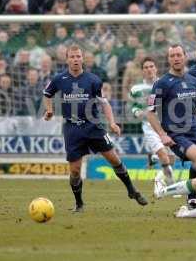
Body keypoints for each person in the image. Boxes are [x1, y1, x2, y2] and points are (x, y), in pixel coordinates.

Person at [43, 45, 148, 212]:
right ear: (67, 59)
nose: (76, 59)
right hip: (72, 129)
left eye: (78, 56)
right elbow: (47, 94)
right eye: (72, 57)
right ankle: (79, 204)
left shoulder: (93, 80)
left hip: (93, 126)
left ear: (82, 58)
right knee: (75, 171)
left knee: (114, 159)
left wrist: (112, 123)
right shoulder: (59, 79)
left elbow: (103, 103)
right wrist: (49, 110)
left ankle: (131, 189)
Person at [146, 44, 196, 210]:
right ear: (169, 59)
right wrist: (162, 134)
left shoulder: (194, 81)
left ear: (185, 57)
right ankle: (191, 198)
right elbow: (150, 113)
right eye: (172, 56)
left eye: (179, 55)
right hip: (177, 134)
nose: (176, 58)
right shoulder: (161, 84)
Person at [129, 56, 175, 184]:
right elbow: (133, 106)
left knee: (171, 158)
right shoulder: (136, 89)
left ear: (156, 68)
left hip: (167, 126)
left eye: (151, 66)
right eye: (146, 67)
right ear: (142, 71)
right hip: (149, 126)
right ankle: (172, 186)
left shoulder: (166, 84)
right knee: (165, 157)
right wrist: (137, 112)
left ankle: (154, 158)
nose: (149, 69)